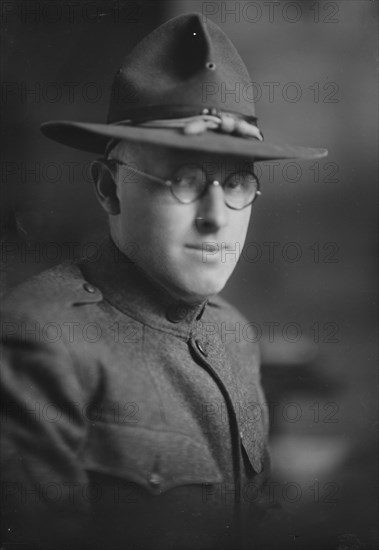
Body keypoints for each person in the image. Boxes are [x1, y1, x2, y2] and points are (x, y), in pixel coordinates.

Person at [0, 13, 327, 550]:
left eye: (239, 182)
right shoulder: (38, 342)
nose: (216, 217)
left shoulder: (234, 335)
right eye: (183, 180)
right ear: (110, 189)